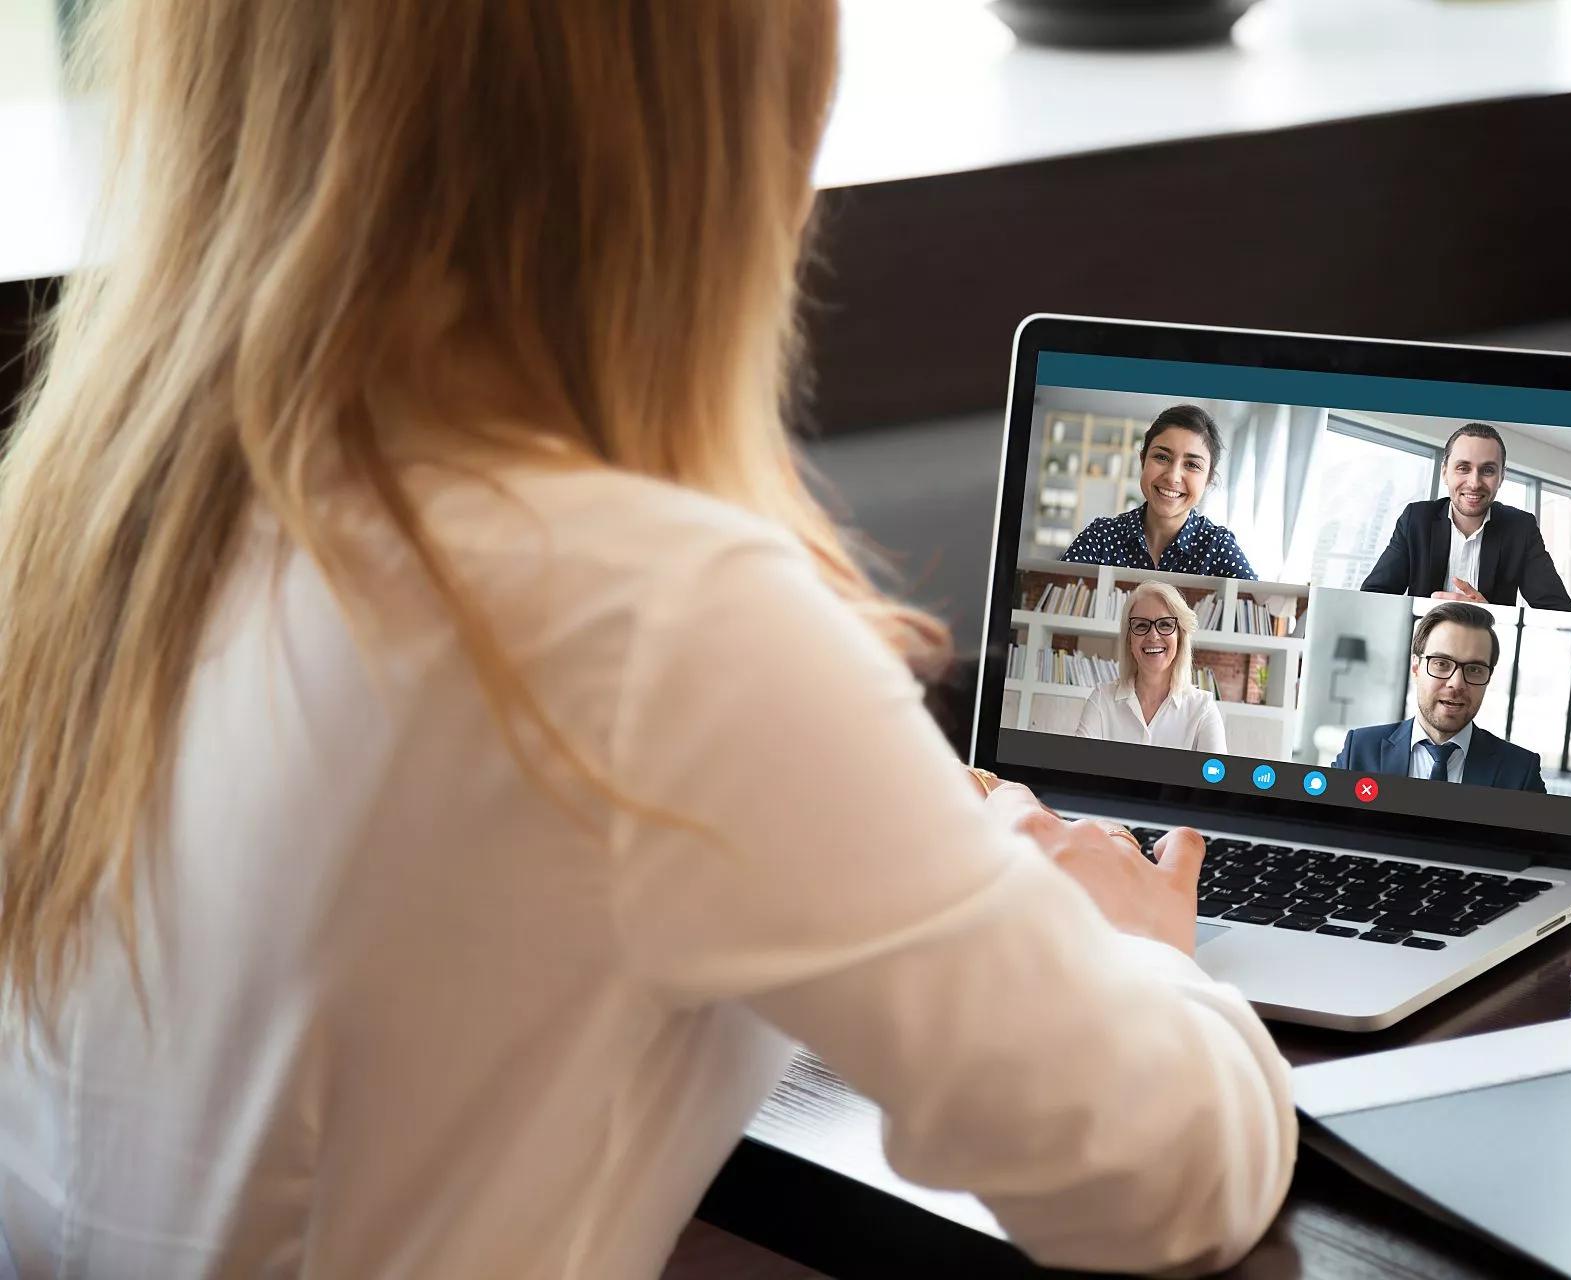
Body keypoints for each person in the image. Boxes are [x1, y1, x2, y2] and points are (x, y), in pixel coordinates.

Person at [0, 3, 1295, 1276]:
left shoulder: (88, 527)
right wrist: (1120, 952)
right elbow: (1162, 1181)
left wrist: (892, 864)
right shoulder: (643, 617)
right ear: (718, 127)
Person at [1360, 423, 1571, 611]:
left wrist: (1490, 616)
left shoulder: (1520, 528)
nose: (1474, 483)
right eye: (1463, 468)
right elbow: (1374, 598)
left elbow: (1560, 612)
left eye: (1488, 470)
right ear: (1445, 472)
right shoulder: (1416, 519)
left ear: (1502, 476)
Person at [1333, 603, 1548, 792]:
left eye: (1474, 669)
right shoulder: (1360, 749)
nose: (1457, 683)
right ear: (1416, 668)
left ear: (1489, 677)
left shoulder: (1520, 771)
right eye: (1442, 663)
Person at [1060, 404, 1257, 578]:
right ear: (1142, 460)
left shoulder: (1218, 547)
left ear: (1209, 479)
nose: (1173, 476)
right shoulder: (1101, 536)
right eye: (1162, 457)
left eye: (1192, 465)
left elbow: (1263, 612)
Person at [1074, 582, 1228, 753]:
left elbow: (1214, 777)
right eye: (1141, 625)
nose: (1153, 636)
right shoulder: (1102, 700)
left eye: (1165, 625)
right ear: (1129, 640)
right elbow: (1078, 769)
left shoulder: (1203, 709)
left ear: (1180, 637)